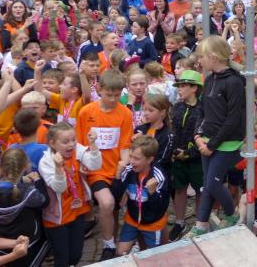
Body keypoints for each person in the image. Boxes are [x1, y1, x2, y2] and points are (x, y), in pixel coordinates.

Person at [187, 36, 245, 237]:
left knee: (212, 184)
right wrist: (197, 135)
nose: (199, 61)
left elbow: (233, 119)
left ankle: (231, 214)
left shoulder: (234, 82)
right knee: (207, 185)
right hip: (207, 140)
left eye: (201, 57)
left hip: (227, 143)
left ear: (212, 57)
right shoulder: (210, 79)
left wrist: (211, 145)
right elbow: (202, 110)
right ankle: (201, 225)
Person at [75, 69, 133, 261]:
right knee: (106, 203)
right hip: (95, 170)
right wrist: (81, 162)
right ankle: (108, 246)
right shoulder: (86, 112)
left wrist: (124, 165)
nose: (113, 99)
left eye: (117, 95)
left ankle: (112, 245)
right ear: (99, 89)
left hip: (115, 169)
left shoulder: (125, 113)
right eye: (109, 95)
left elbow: (124, 145)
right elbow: (79, 143)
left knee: (113, 210)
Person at [40, 123, 102, 267]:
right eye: (65, 142)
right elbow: (59, 188)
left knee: (76, 255)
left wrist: (93, 145)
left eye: (74, 139)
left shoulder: (77, 150)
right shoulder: (46, 162)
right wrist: (58, 168)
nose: (71, 144)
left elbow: (95, 165)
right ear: (52, 143)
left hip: (77, 211)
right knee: (62, 258)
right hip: (57, 219)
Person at [0, 147, 50, 267]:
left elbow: (9, 187)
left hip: (2, 241)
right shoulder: (27, 191)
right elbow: (44, 201)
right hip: (27, 240)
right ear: (24, 166)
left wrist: (21, 180)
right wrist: (37, 181)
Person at [116, 136, 171, 255]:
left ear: (149, 159)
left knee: (153, 257)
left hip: (152, 223)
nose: (131, 161)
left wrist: (153, 193)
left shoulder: (159, 176)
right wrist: (117, 176)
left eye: (136, 158)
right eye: (130, 156)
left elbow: (162, 207)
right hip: (132, 219)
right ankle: (141, 245)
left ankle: (163, 244)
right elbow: (117, 196)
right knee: (121, 253)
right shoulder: (128, 170)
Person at [168, 70, 204, 241]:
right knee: (180, 189)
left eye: (183, 86)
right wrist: (174, 151)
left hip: (197, 159)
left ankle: (200, 223)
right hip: (178, 157)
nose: (179, 89)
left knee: (200, 190)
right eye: (179, 86)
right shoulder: (177, 107)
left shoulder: (203, 110)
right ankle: (179, 222)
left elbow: (204, 135)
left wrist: (189, 153)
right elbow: (173, 131)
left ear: (194, 88)